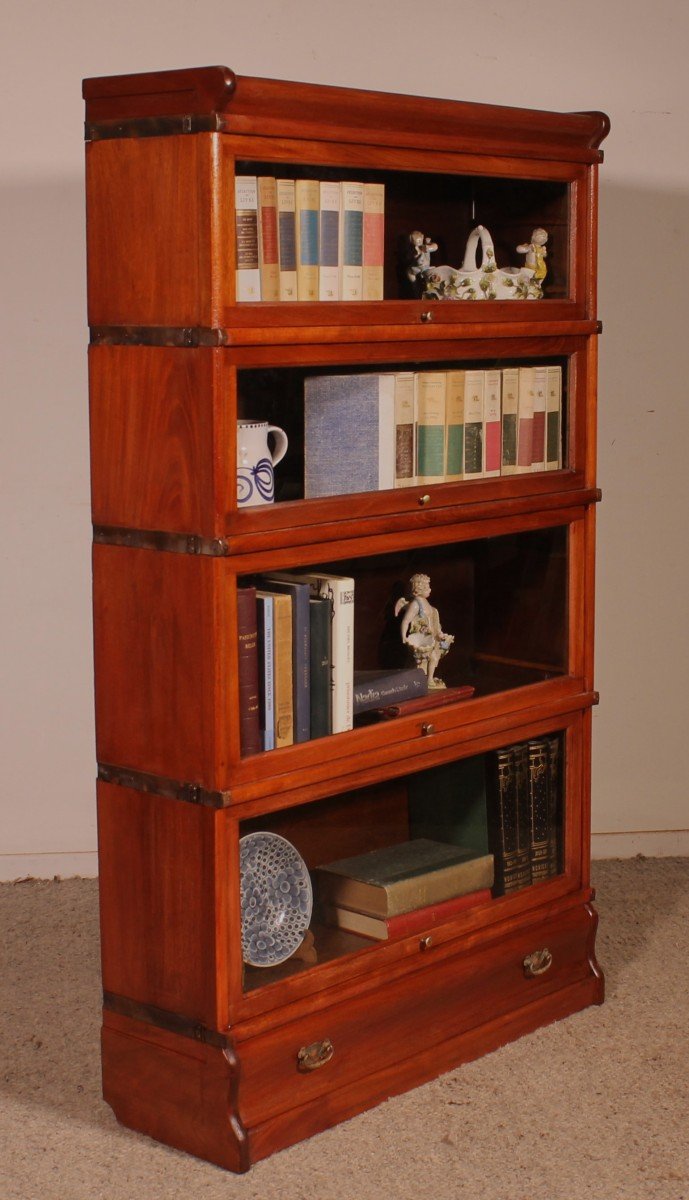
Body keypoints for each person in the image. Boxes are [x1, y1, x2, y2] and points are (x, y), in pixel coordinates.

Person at [394, 573, 454, 688]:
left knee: (435, 656)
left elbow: (433, 621)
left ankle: (428, 679)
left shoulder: (427, 604)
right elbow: (406, 621)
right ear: (418, 589)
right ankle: (429, 680)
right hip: (421, 639)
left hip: (431, 636)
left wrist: (439, 633)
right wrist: (403, 636)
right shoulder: (416, 604)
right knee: (431, 658)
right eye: (427, 587)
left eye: (429, 586)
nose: (430, 589)